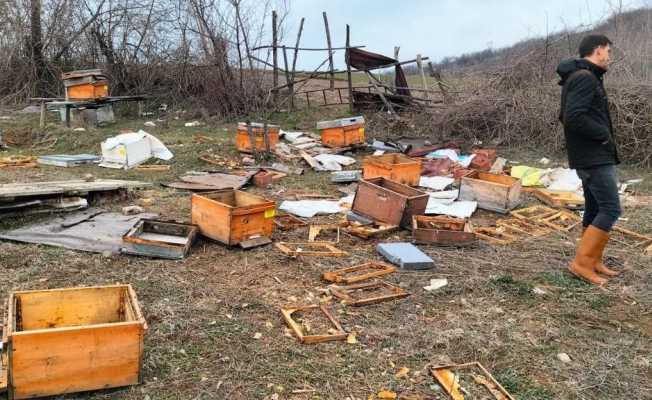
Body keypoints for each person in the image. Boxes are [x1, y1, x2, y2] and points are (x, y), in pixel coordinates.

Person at [556, 34, 621, 285]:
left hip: (590, 155)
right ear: (598, 50)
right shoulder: (584, 78)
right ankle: (582, 263)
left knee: (595, 208)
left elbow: (565, 115)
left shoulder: (584, 76)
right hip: (593, 157)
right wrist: (603, 135)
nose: (609, 57)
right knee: (611, 209)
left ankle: (592, 259)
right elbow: (572, 117)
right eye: (608, 51)